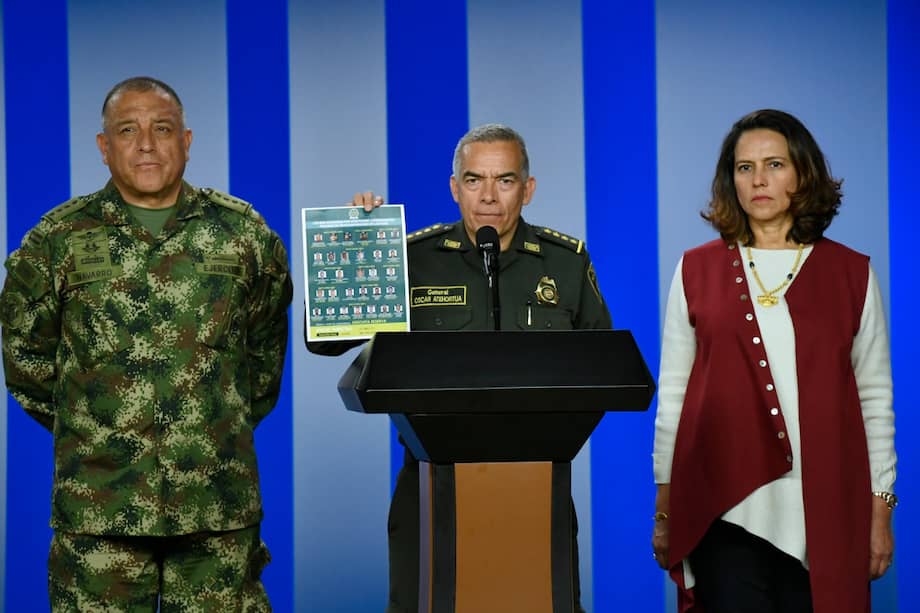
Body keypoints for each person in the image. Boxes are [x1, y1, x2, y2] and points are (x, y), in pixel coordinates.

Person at [0, 76, 292, 610]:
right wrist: (99, 428)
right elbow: (26, 361)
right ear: (103, 146)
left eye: (162, 129)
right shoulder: (56, 241)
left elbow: (265, 350)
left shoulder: (242, 234)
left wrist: (207, 428)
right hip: (100, 511)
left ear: (186, 140)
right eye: (127, 130)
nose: (147, 144)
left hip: (215, 506)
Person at [311, 123, 611, 613]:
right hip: (433, 490)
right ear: (455, 188)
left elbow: (604, 366)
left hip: (537, 491)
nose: (488, 196)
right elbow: (323, 342)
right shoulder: (412, 258)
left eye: (505, 180)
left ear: (528, 189)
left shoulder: (566, 263)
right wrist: (359, 247)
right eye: (474, 180)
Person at [651, 109, 895, 613]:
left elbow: (874, 399)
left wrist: (880, 508)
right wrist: (666, 506)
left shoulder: (853, 274)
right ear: (731, 181)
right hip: (724, 509)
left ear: (802, 173)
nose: (759, 179)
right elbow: (674, 394)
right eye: (744, 168)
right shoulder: (695, 270)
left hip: (829, 508)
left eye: (775, 164)